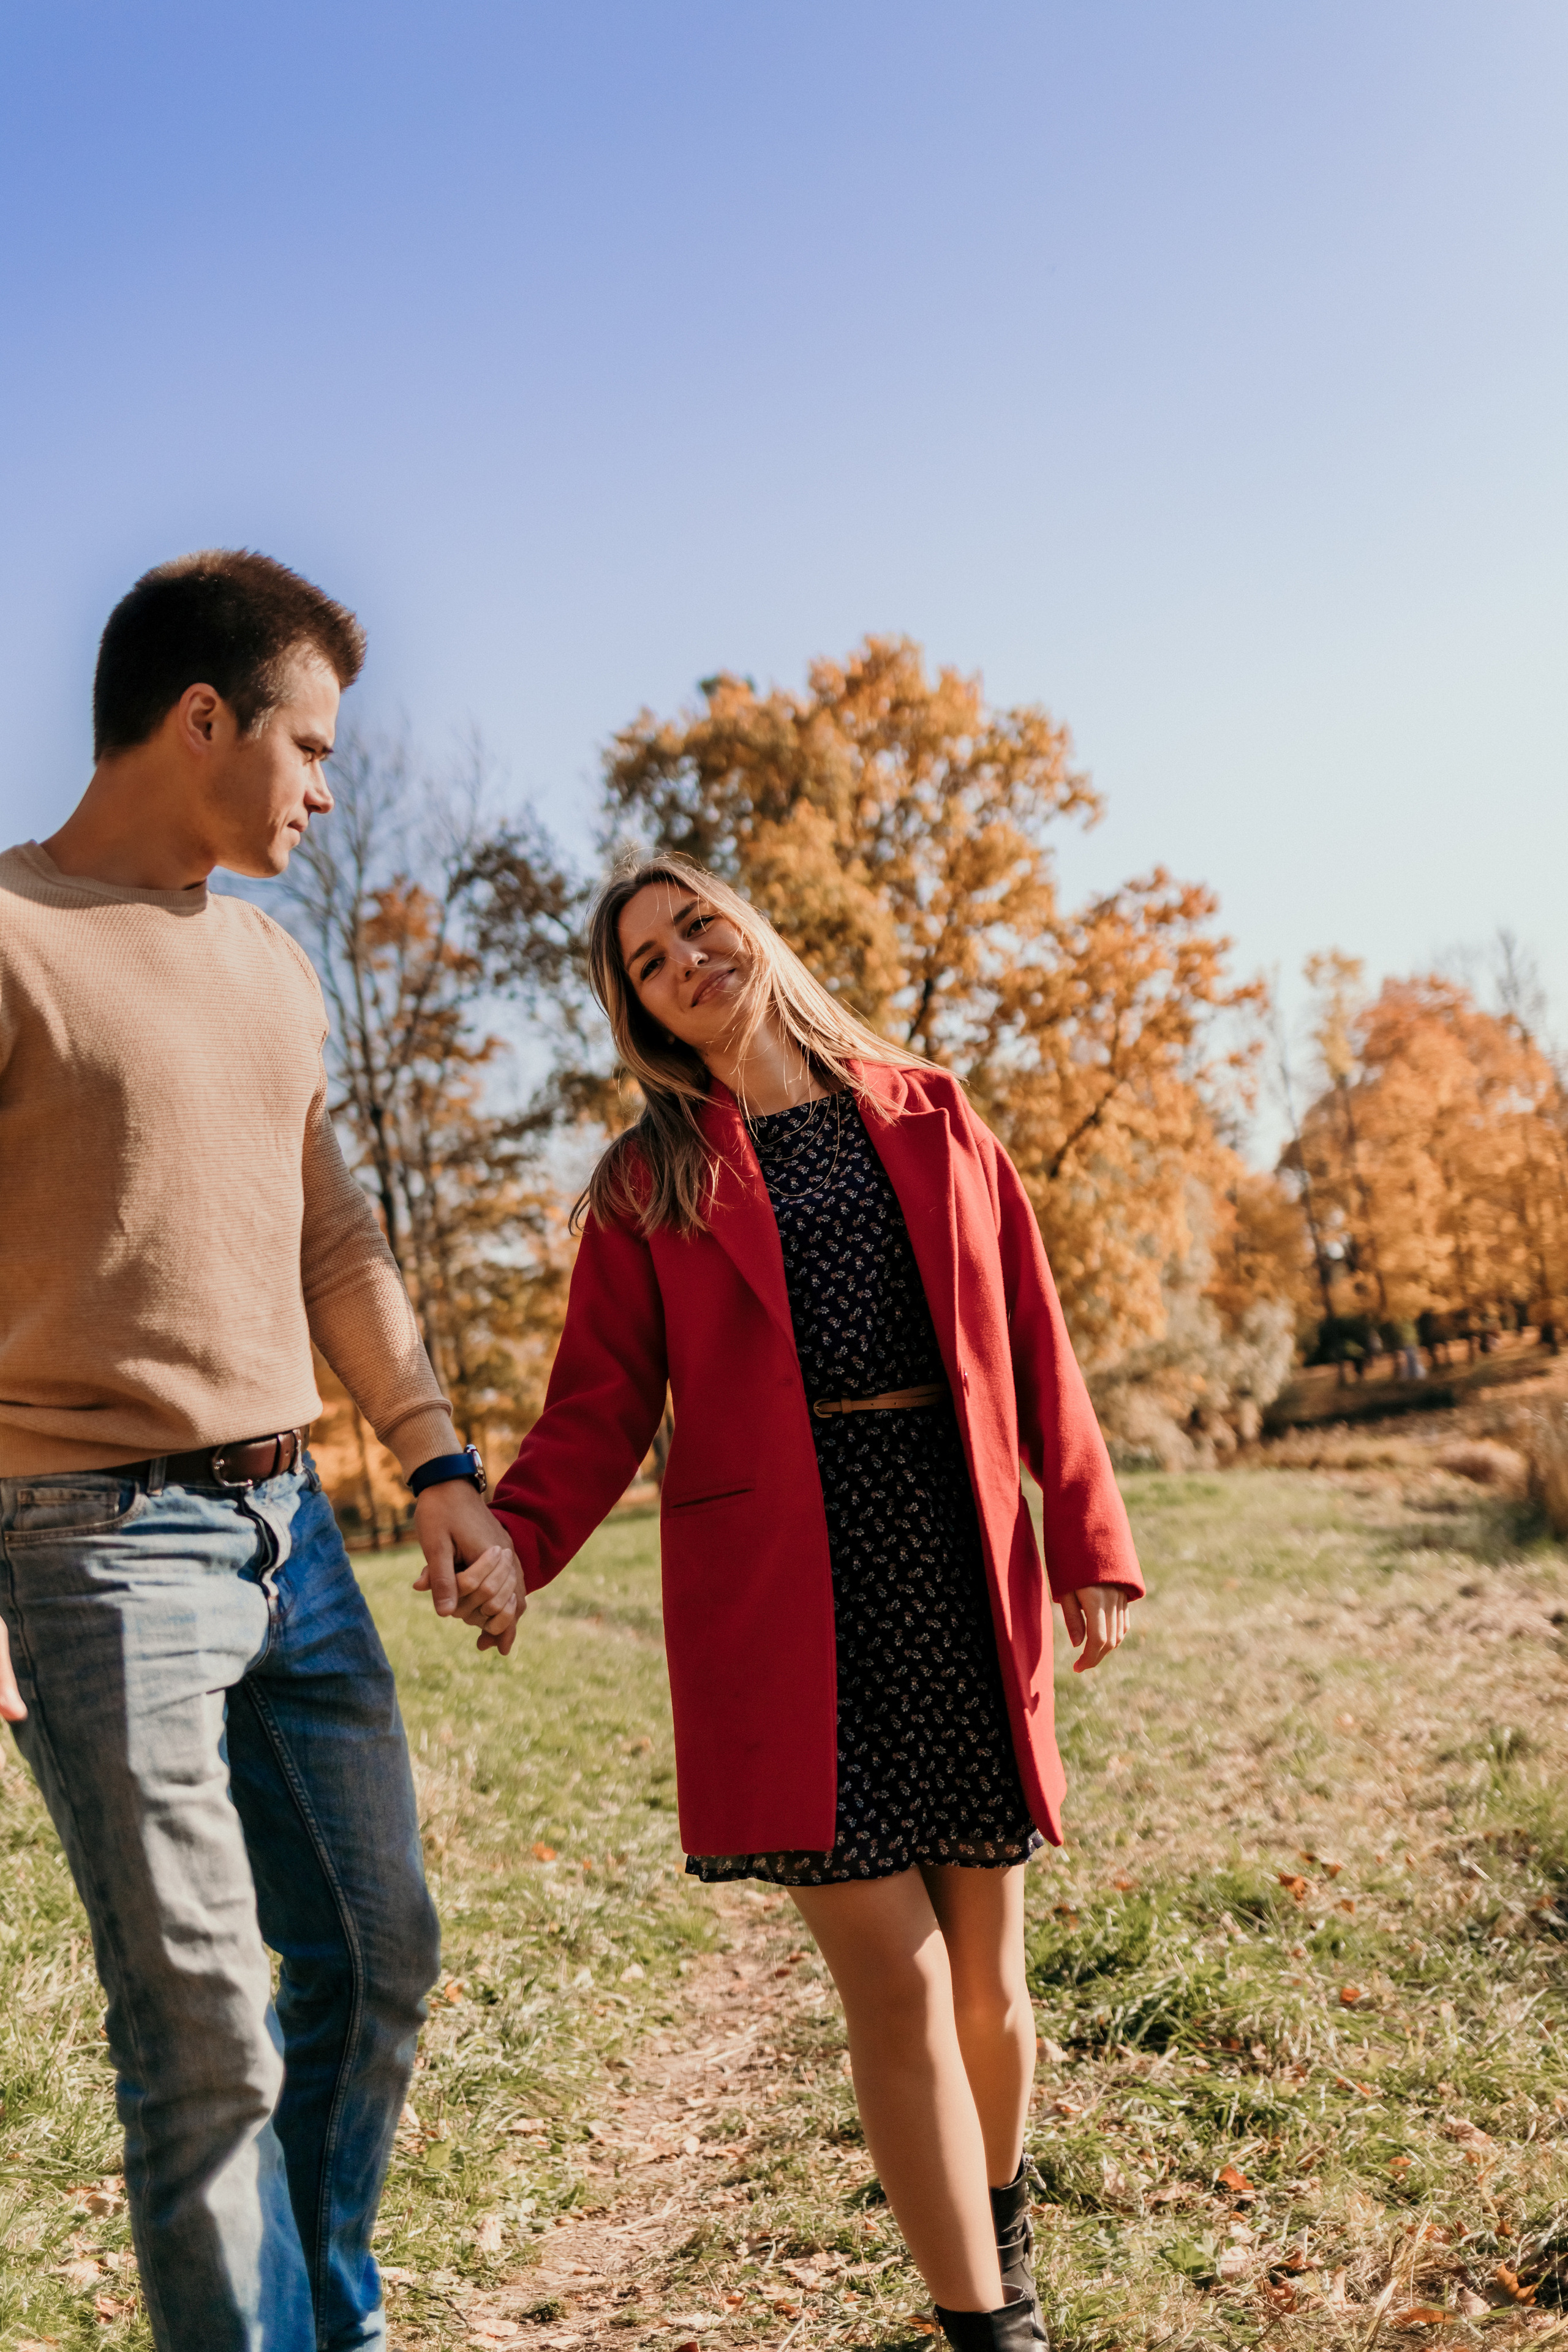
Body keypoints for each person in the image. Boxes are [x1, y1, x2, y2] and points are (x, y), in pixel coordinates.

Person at [488, 854, 1145, 2352]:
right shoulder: (646, 1181)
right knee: (898, 1984)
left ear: (749, 925)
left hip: (951, 1559)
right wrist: (520, 1542)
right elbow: (595, 1409)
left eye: (694, 926)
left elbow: (1033, 1334)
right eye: (648, 963)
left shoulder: (930, 1110)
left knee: (988, 1983)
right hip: (782, 1602)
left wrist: (1086, 1533)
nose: (683, 963)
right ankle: (987, 2328)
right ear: (642, 1014)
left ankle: (1003, 2225)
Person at [0, 551, 525, 2352]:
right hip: (84, 1549)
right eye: (305, 746)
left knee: (377, 1958)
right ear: (201, 717)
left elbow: (336, 1240)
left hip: (290, 1530)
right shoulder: (8, 933)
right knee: (206, 2030)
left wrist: (440, 1465)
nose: (322, 785)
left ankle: (320, 2319)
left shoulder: (274, 964)